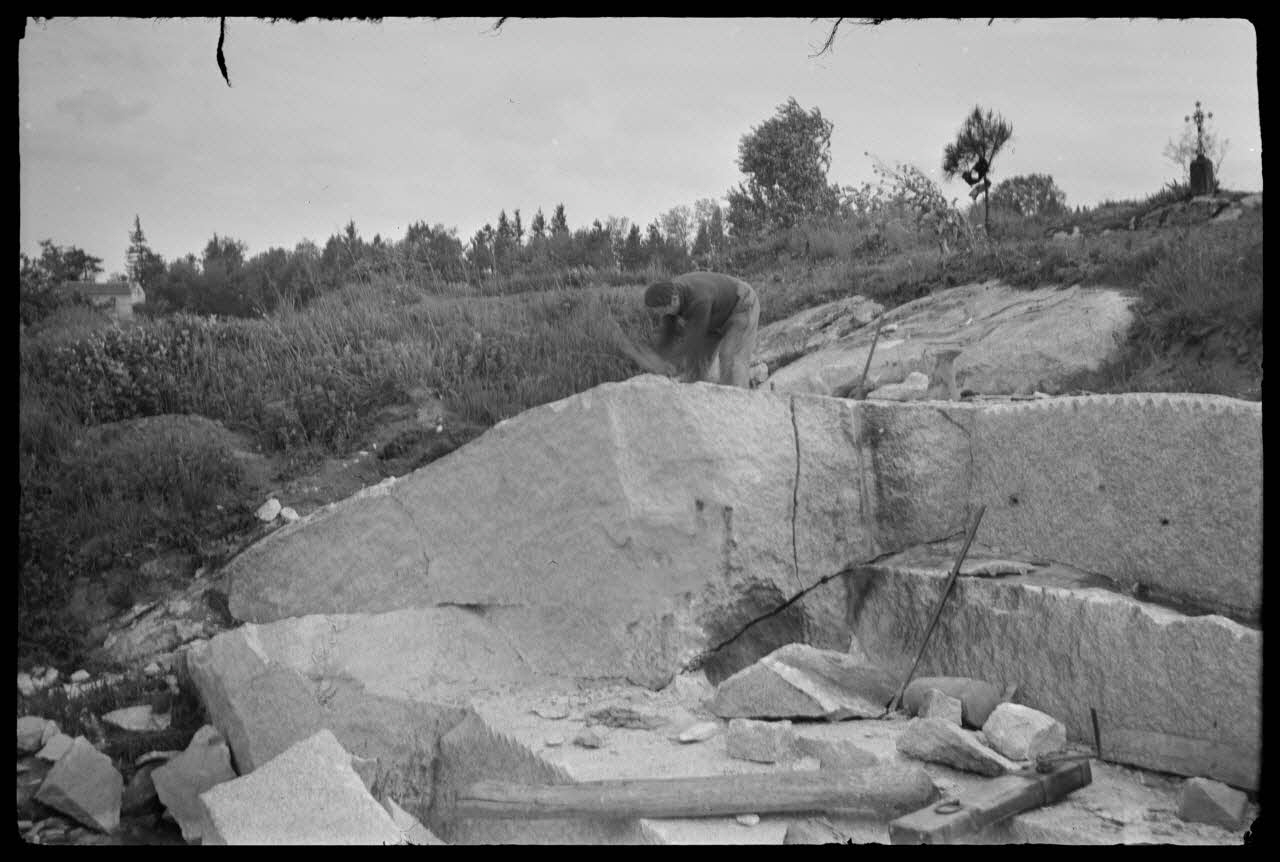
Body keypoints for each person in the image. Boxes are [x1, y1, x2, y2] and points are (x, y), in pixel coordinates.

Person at [642, 271, 760, 388]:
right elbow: (667, 335)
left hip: (741, 304)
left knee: (730, 356)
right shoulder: (669, 296)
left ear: (674, 300)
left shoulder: (699, 299)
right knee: (697, 363)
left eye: (662, 311)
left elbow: (693, 340)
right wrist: (660, 358)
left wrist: (674, 361)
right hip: (714, 314)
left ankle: (736, 400)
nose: (661, 314)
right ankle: (694, 399)